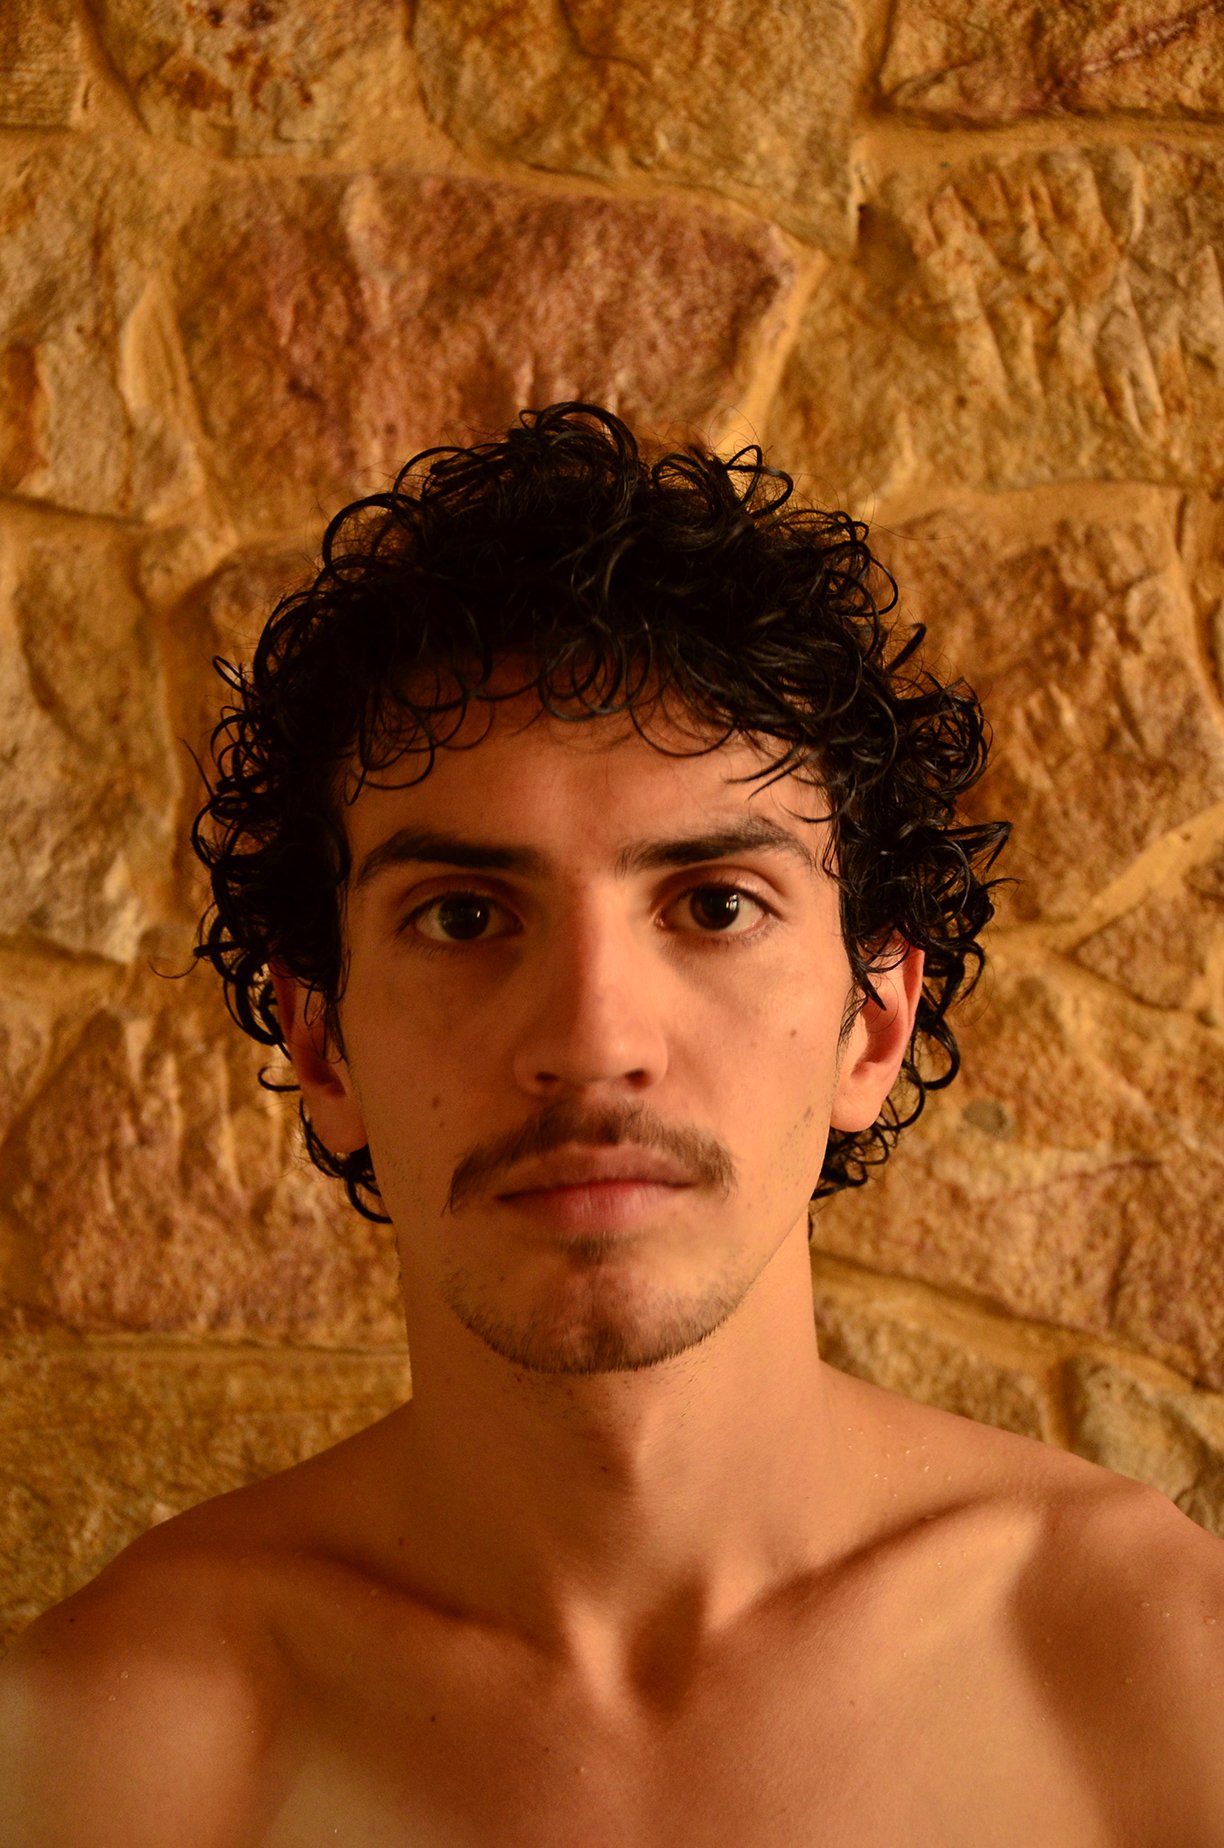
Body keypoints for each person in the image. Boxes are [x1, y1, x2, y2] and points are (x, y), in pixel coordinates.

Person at [2, 402, 1221, 1846]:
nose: (590, 1042)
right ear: (321, 1037)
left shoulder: (1162, 1678)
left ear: (873, 1026)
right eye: (463, 917)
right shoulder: (93, 1757)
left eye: (715, 907)